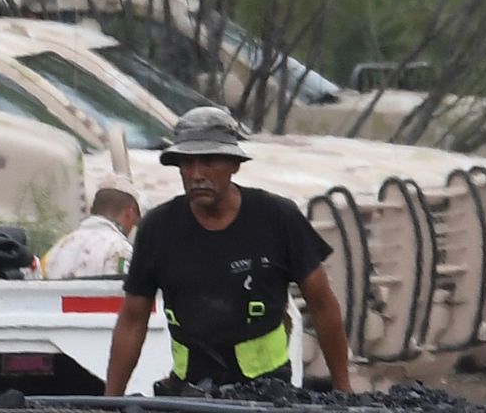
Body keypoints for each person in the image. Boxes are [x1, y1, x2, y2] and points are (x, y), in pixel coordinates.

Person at [104, 106, 353, 395]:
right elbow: (133, 319)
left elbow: (322, 304)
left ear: (235, 165)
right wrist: (111, 400)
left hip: (267, 391)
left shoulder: (277, 218)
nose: (197, 174)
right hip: (189, 391)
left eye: (209, 161)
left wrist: (342, 390)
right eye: (187, 163)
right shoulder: (158, 228)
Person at [42, 174, 145, 279]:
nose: (131, 229)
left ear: (92, 210)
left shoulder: (60, 245)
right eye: (134, 223)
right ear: (129, 213)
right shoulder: (120, 248)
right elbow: (119, 292)